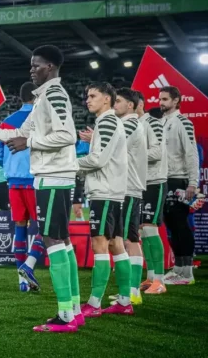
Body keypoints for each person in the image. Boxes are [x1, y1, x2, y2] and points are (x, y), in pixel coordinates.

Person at [0, 45, 82, 333]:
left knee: (53, 241)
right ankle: (74, 310)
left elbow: (67, 135)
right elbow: (20, 132)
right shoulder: (43, 98)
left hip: (54, 177)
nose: (31, 69)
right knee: (61, 241)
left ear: (50, 67)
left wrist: (30, 143)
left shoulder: (54, 94)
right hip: (50, 177)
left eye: (36, 65)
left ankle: (66, 315)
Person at [77, 82, 132, 317]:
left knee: (99, 245)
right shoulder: (108, 121)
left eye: (93, 96)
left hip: (105, 192)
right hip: (112, 191)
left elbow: (98, 159)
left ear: (107, 99)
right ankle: (124, 301)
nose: (87, 100)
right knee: (116, 245)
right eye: (87, 96)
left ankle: (94, 303)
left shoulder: (108, 121)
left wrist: (68, 164)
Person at [0, 81, 44, 293]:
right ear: (37, 97)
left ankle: (22, 281)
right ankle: (29, 266)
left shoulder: (6, 122)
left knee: (20, 227)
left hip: (13, 182)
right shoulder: (40, 118)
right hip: (36, 181)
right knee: (43, 227)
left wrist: (9, 165)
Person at [106, 88, 147, 306]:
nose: (115, 104)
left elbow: (116, 147)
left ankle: (133, 292)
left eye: (119, 101)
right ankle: (130, 291)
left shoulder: (130, 123)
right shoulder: (125, 123)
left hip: (129, 188)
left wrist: (97, 140)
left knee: (130, 239)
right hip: (124, 188)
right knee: (124, 239)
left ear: (130, 105)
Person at [159, 86, 199, 285]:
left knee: (180, 225)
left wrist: (192, 182)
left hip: (179, 179)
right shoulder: (161, 122)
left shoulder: (183, 122)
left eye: (165, 99)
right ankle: (178, 269)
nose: (161, 103)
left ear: (176, 101)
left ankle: (187, 273)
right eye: (160, 99)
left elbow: (191, 153)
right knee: (171, 226)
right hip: (164, 179)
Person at [134, 91, 168, 295]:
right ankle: (150, 277)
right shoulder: (134, 125)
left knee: (150, 229)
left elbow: (157, 152)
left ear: (138, 104)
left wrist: (132, 154)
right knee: (143, 231)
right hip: (140, 183)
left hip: (154, 181)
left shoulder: (152, 123)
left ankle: (160, 281)